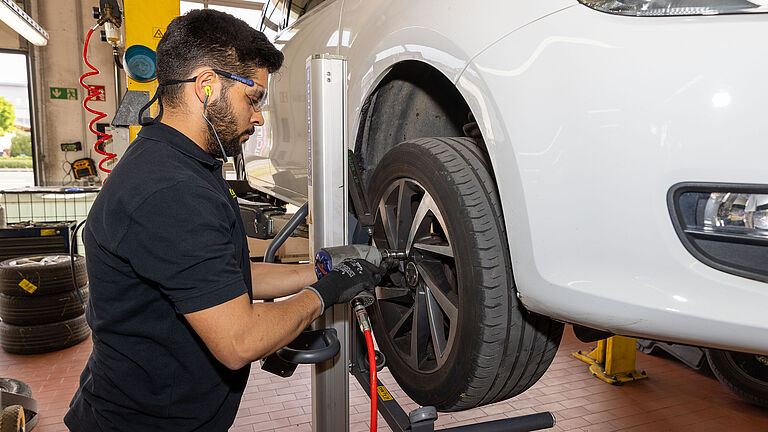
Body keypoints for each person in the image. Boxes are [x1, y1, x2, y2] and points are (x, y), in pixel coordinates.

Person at [64, 9, 384, 431]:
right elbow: (240, 340)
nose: (258, 118)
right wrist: (327, 292)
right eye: (253, 99)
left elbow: (227, 277)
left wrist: (320, 268)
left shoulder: (187, 164)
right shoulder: (170, 190)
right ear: (206, 86)